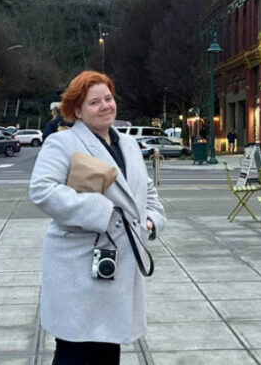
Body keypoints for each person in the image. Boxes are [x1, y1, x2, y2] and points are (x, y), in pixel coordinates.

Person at [29, 71, 165, 363]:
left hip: (119, 266)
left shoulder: (128, 144)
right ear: (76, 110)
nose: (105, 106)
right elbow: (42, 191)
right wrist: (101, 212)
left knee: (108, 345)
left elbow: (146, 191)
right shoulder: (63, 143)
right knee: (75, 348)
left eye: (108, 98)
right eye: (94, 102)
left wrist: (151, 220)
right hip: (79, 265)